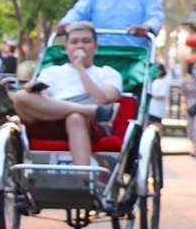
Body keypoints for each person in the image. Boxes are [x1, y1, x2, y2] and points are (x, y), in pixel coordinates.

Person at [10, 22, 122, 181]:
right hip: (51, 118)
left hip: (87, 124)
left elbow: (103, 98)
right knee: (20, 97)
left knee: (75, 117)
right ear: (67, 47)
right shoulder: (52, 72)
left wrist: (80, 68)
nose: (80, 46)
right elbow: (44, 98)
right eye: (74, 42)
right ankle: (88, 109)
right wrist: (33, 91)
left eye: (86, 41)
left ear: (95, 47)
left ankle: (83, 180)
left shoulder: (107, 73)